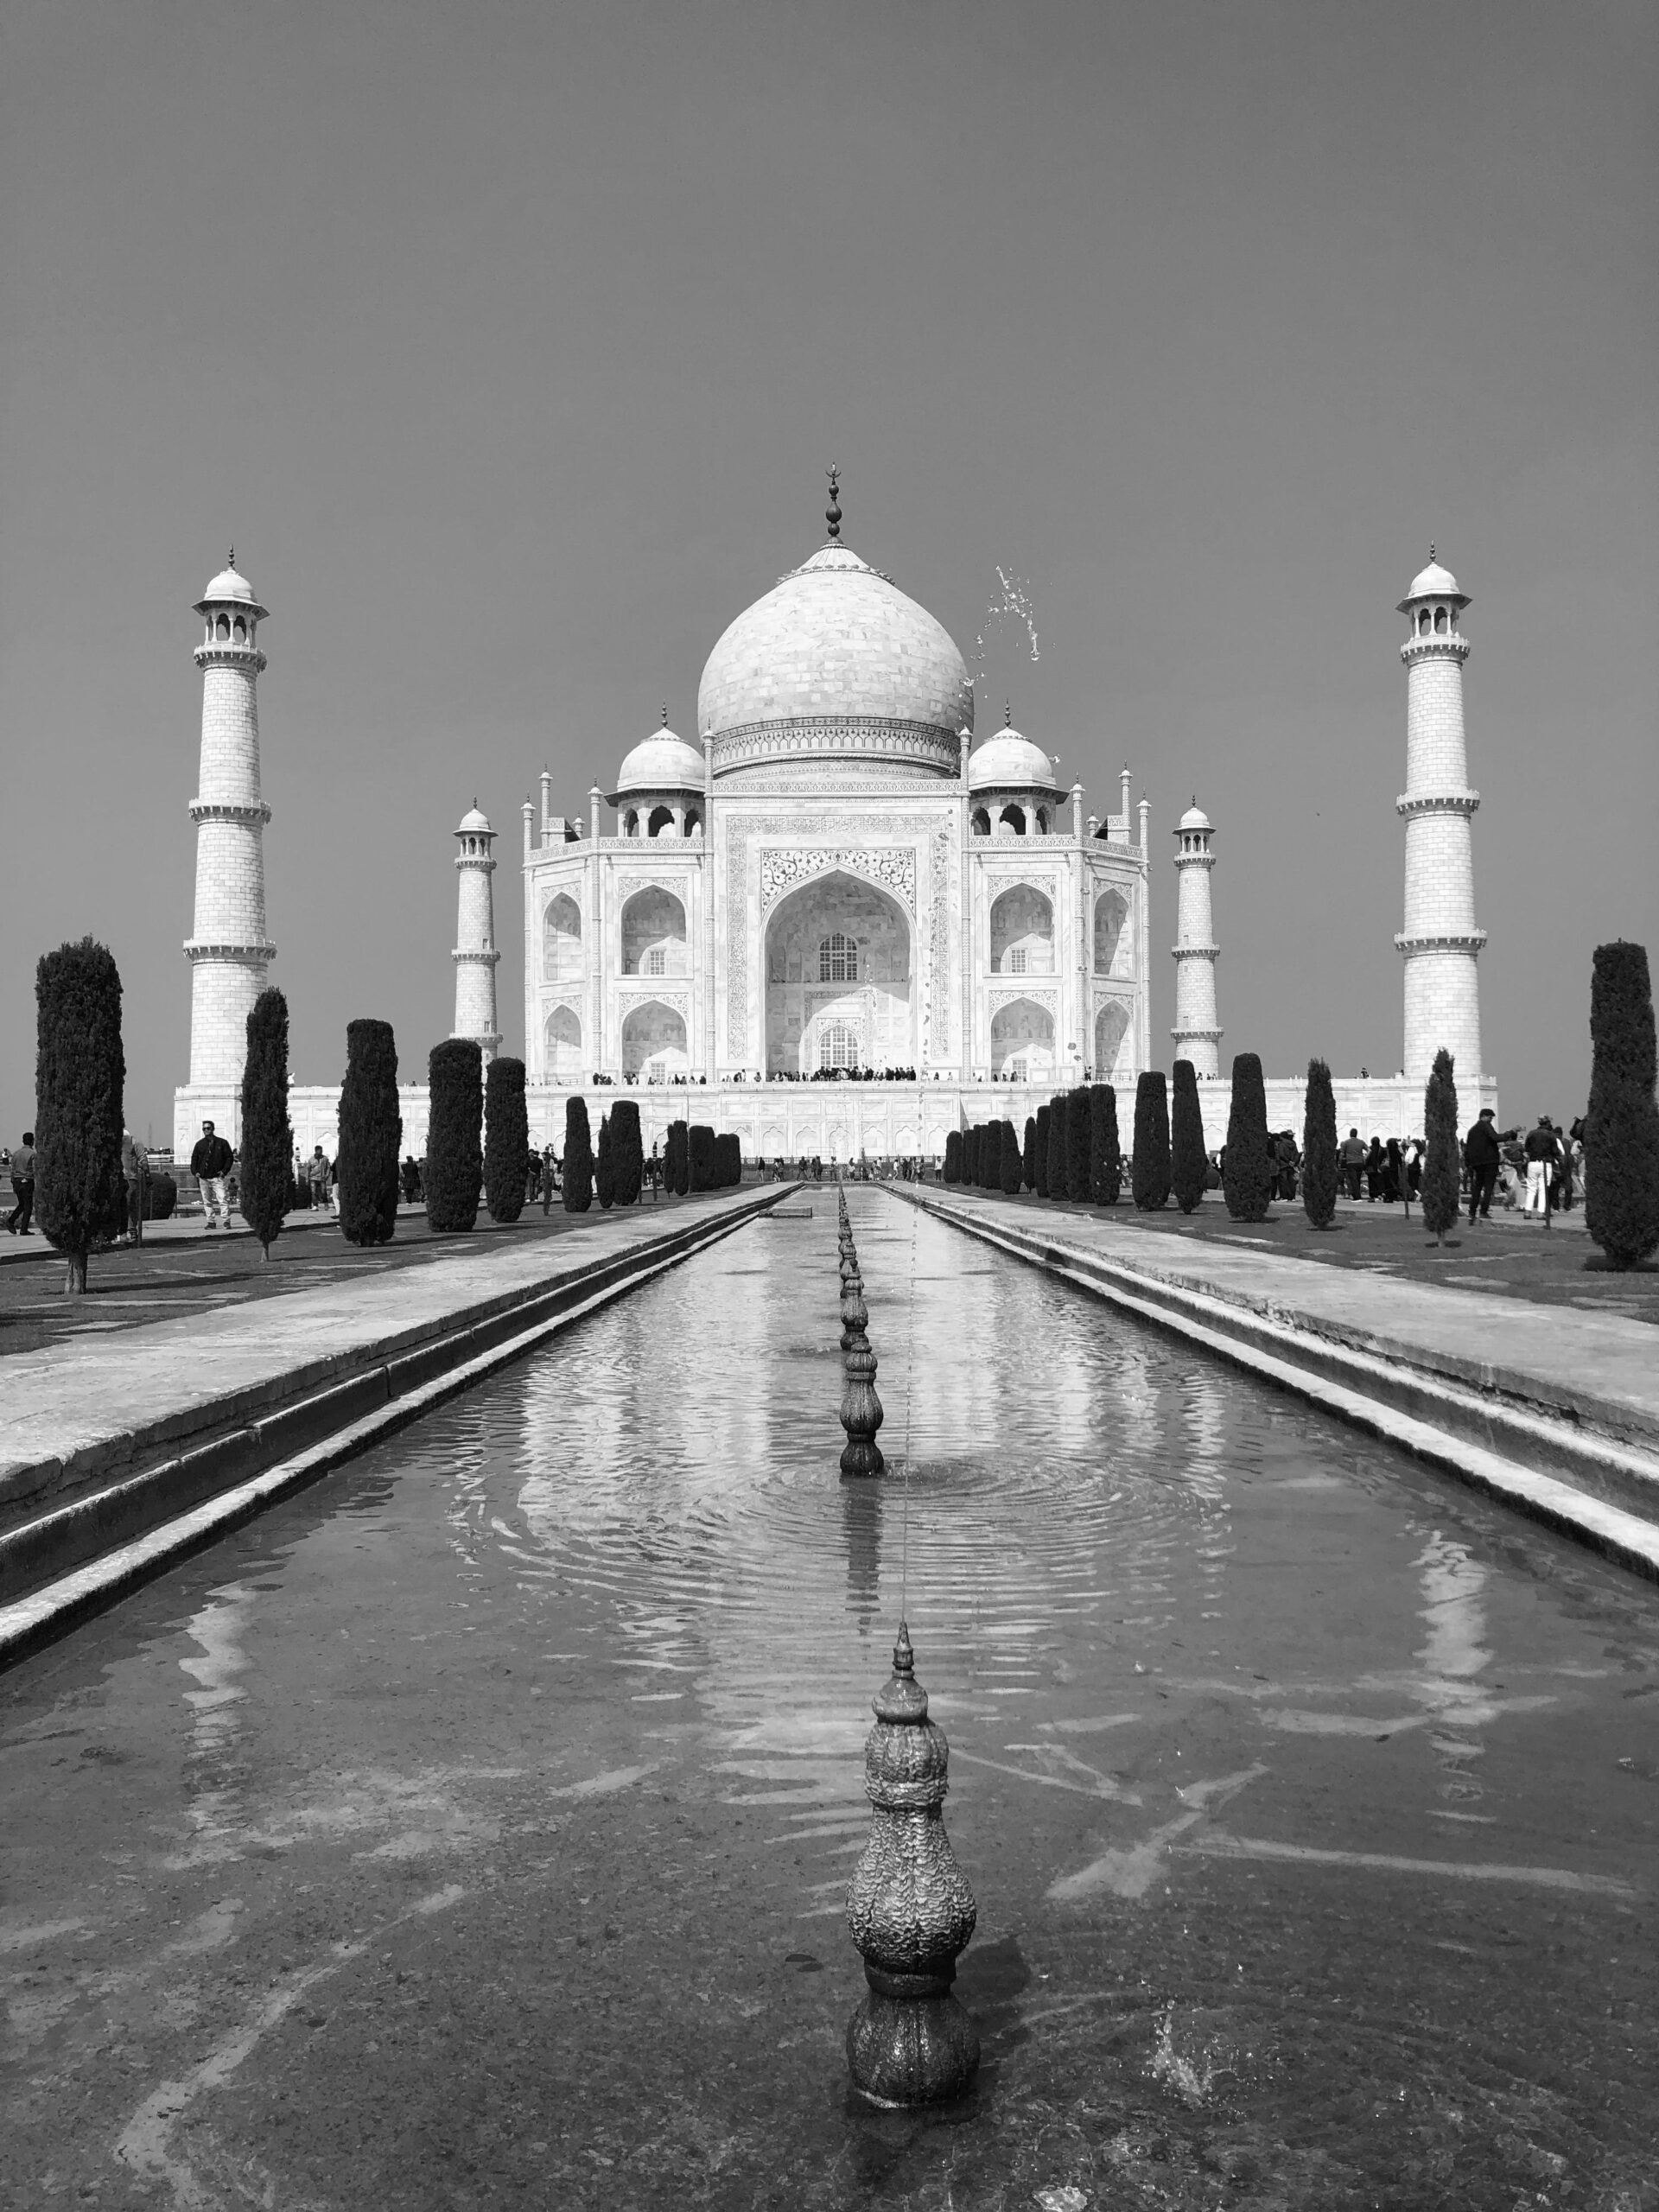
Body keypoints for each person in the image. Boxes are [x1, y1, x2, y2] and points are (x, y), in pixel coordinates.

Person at [191, 1120, 234, 1230]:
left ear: (213, 1129)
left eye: (208, 1128)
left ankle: (226, 1221)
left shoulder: (222, 1143)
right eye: (204, 1128)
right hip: (204, 1177)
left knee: (222, 1199)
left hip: (217, 1177)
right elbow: (194, 1159)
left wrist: (224, 1171)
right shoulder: (200, 1144)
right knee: (207, 1201)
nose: (206, 1130)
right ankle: (211, 1222)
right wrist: (195, 1172)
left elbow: (229, 1158)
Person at [1464, 1108, 1501, 1223]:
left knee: (1477, 1187)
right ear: (1484, 1116)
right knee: (1488, 1187)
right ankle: (1483, 1212)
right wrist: (1511, 1133)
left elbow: (1468, 1149)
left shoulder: (1472, 1131)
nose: (1491, 1120)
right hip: (1489, 1162)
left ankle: (1472, 1212)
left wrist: (1469, 1164)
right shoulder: (1486, 1126)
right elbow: (1495, 1138)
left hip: (1477, 1164)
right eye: (1490, 1118)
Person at [1523, 1116, 1559, 1219]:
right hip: (1545, 1163)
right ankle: (1540, 1212)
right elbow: (1555, 1151)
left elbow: (1527, 1148)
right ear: (1548, 1123)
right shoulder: (1551, 1135)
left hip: (1533, 1163)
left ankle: (1527, 1211)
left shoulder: (1531, 1133)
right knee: (1543, 1189)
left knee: (1531, 1188)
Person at [120, 1128, 149, 1245]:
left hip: (131, 1179)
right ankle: (126, 1231)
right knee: (126, 1205)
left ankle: (130, 1231)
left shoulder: (135, 1143)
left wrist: (146, 1173)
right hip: (122, 1178)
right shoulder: (126, 1143)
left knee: (128, 1204)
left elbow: (143, 1159)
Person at [6, 1132, 35, 1235]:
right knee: (28, 1206)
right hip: (27, 1180)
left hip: (17, 1181)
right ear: (32, 1141)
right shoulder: (32, 1154)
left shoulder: (16, 1154)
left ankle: (11, 1221)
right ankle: (23, 1229)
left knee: (22, 1204)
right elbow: (35, 1169)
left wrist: (13, 1182)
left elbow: (12, 1169)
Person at [1339, 1128, 1365, 1202]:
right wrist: (1364, 1158)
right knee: (1358, 1179)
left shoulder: (1346, 1142)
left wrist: (1340, 1163)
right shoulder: (1361, 1142)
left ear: (1350, 1134)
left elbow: (1342, 1154)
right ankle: (1358, 1195)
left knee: (1353, 1180)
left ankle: (1357, 1197)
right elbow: (1369, 1150)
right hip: (1360, 1163)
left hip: (1351, 1163)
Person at [306, 1145, 332, 1214]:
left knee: (323, 1191)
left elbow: (328, 1167)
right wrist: (307, 1178)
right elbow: (308, 1169)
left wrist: (327, 1175)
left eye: (321, 1151)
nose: (321, 1152)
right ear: (316, 1151)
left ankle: (326, 1203)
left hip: (322, 1178)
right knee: (313, 1192)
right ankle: (315, 1205)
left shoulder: (325, 1159)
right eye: (319, 1151)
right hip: (313, 1178)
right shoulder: (311, 1159)